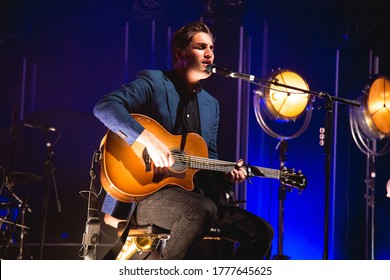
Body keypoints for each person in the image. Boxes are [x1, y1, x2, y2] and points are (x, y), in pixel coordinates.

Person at [93, 21, 274, 260]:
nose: (209, 54)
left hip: (196, 196)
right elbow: (105, 107)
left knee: (261, 231)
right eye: (201, 47)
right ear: (180, 52)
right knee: (201, 209)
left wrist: (226, 174)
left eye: (211, 47)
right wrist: (148, 140)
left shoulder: (211, 105)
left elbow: (208, 160)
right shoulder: (154, 82)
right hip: (146, 195)